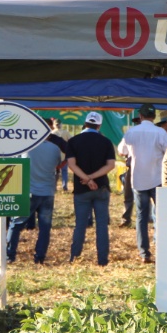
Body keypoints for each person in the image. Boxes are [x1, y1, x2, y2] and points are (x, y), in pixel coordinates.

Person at [118, 103, 167, 264]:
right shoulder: (160, 132)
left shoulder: (131, 132)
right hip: (158, 179)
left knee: (141, 216)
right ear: (154, 117)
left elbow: (122, 151)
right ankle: (162, 247)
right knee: (161, 215)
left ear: (140, 116)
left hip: (138, 179)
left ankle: (144, 253)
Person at [66, 111, 117, 266]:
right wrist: (93, 178)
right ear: (99, 125)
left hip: (81, 189)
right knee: (102, 225)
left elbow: (71, 164)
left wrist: (86, 179)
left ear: (85, 123)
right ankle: (102, 260)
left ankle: (75, 257)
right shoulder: (106, 141)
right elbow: (111, 165)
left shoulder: (73, 141)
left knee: (80, 224)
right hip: (101, 187)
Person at [5, 135, 63, 264]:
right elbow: (57, 166)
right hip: (48, 192)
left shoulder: (25, 147)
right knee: (45, 228)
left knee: (16, 223)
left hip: (28, 192)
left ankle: (10, 255)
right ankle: (40, 257)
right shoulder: (55, 148)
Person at [118, 114, 141, 228]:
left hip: (133, 167)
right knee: (151, 195)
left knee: (129, 195)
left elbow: (121, 151)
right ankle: (151, 218)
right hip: (152, 169)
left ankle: (126, 218)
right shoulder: (157, 132)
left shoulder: (131, 133)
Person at [49, 117, 72, 192]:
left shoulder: (52, 133)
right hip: (64, 156)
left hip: (54, 156)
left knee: (55, 172)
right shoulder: (66, 132)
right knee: (64, 172)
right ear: (61, 125)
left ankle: (54, 187)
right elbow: (71, 140)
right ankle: (64, 186)